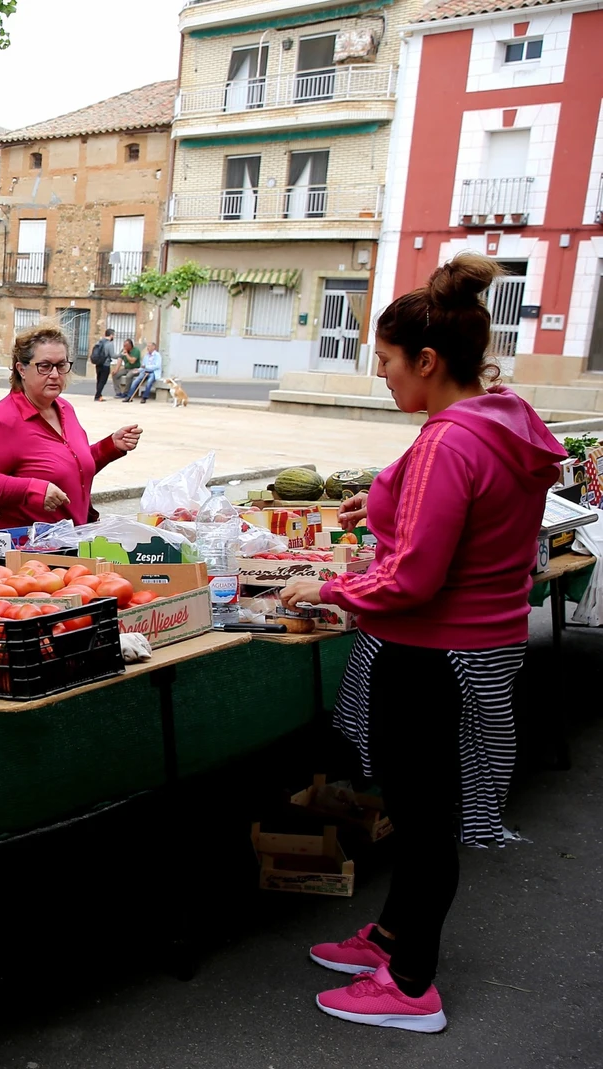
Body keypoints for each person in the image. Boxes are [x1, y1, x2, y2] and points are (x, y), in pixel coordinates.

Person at [279, 254, 564, 1033]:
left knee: (425, 820)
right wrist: (380, 502)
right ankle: (393, 935)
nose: (383, 377)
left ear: (429, 362)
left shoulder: (448, 440)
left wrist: (330, 589)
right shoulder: (503, 417)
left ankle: (411, 986)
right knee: (421, 810)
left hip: (434, 652)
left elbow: (413, 580)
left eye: (387, 363)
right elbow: (460, 518)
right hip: (482, 645)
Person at [0, 324, 142, 525]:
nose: (55, 375)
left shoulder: (65, 409)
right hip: (25, 548)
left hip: (70, 541)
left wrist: (110, 447)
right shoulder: (2, 420)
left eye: (61, 365)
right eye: (45, 366)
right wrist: (33, 489)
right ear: (21, 369)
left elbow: (70, 466)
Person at [91, 328, 115, 401]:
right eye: (113, 335)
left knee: (99, 380)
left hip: (98, 363)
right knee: (103, 381)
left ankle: (99, 395)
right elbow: (113, 355)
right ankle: (97, 396)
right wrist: (121, 355)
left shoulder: (99, 342)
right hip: (105, 364)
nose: (114, 337)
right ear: (111, 335)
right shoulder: (109, 344)